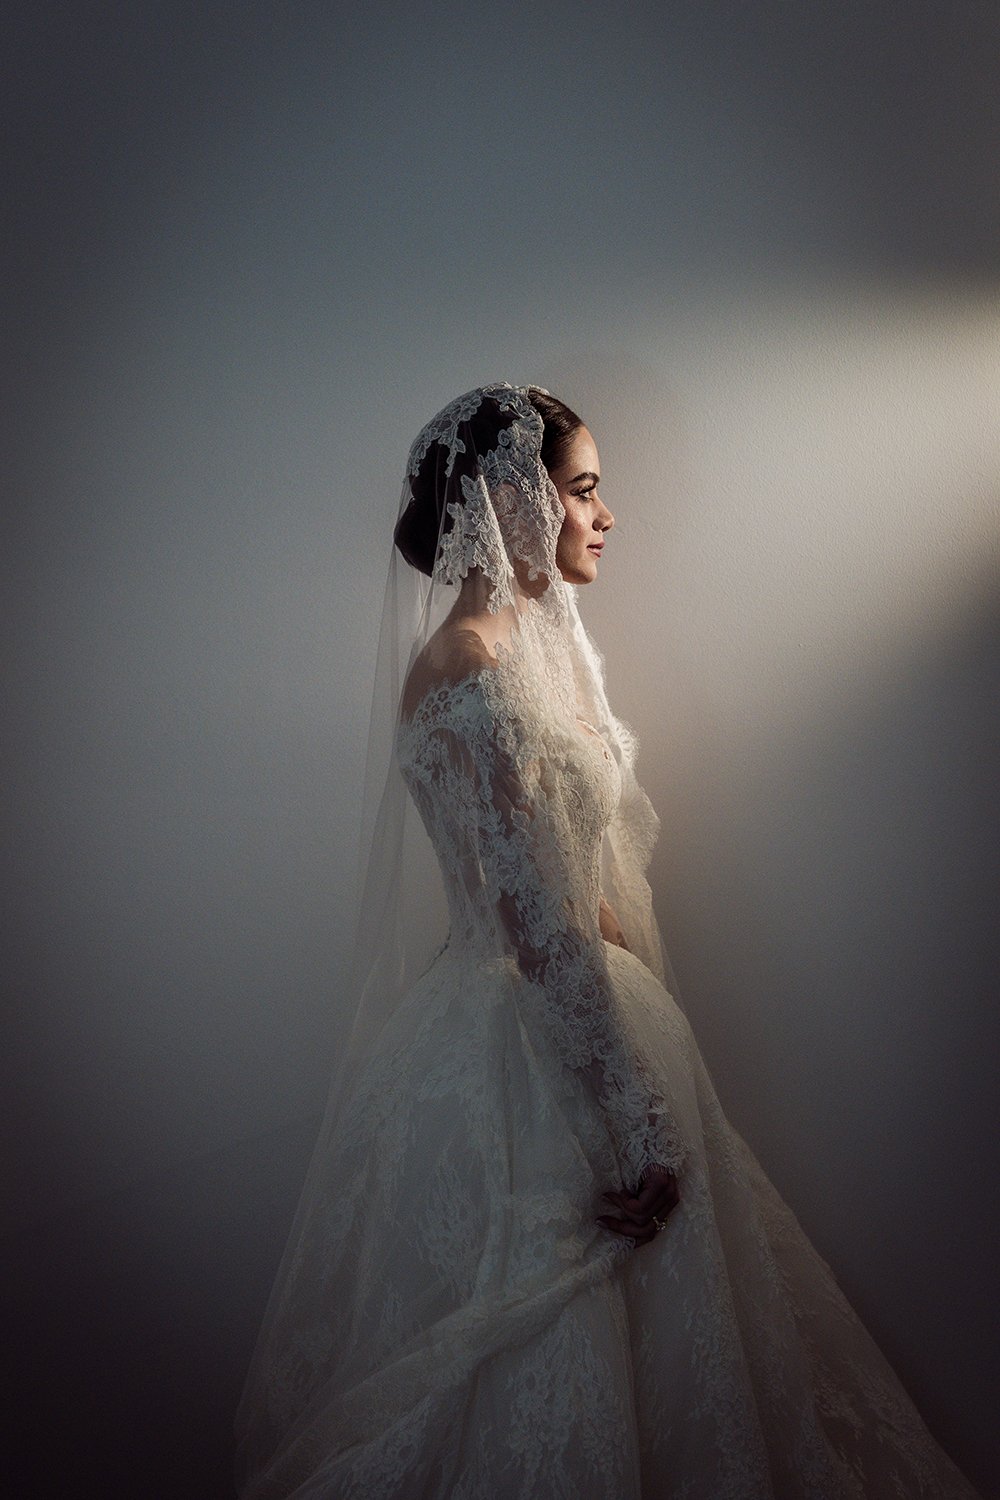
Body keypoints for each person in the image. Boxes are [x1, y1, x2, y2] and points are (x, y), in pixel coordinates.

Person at [235, 383, 984, 1498]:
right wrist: (633, 1127)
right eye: (584, 489)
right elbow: (539, 927)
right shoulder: (476, 669)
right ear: (514, 502)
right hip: (536, 1046)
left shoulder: (509, 658)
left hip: (536, 1011)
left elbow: (561, 890)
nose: (606, 514)